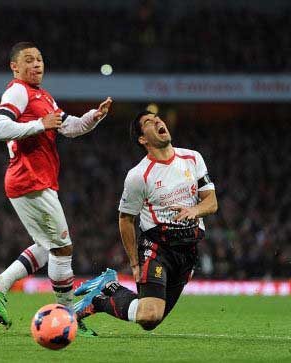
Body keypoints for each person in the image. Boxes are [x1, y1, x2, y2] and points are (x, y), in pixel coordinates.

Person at [0, 42, 112, 333]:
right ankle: (69, 318)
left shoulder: (44, 97)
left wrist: (94, 116)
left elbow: (71, 127)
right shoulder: (18, 91)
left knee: (45, 247)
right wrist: (40, 124)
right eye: (29, 60)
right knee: (62, 248)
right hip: (30, 180)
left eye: (40, 59)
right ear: (15, 67)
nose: (37, 64)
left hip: (35, 181)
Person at [74, 110, 217, 332]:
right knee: (149, 314)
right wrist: (134, 263)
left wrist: (194, 210)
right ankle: (98, 301)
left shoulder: (192, 158)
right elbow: (125, 219)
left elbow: (212, 202)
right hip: (157, 248)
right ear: (142, 139)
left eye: (158, 118)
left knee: (150, 321)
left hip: (188, 250)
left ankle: (108, 287)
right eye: (150, 122)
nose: (158, 121)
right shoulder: (138, 175)